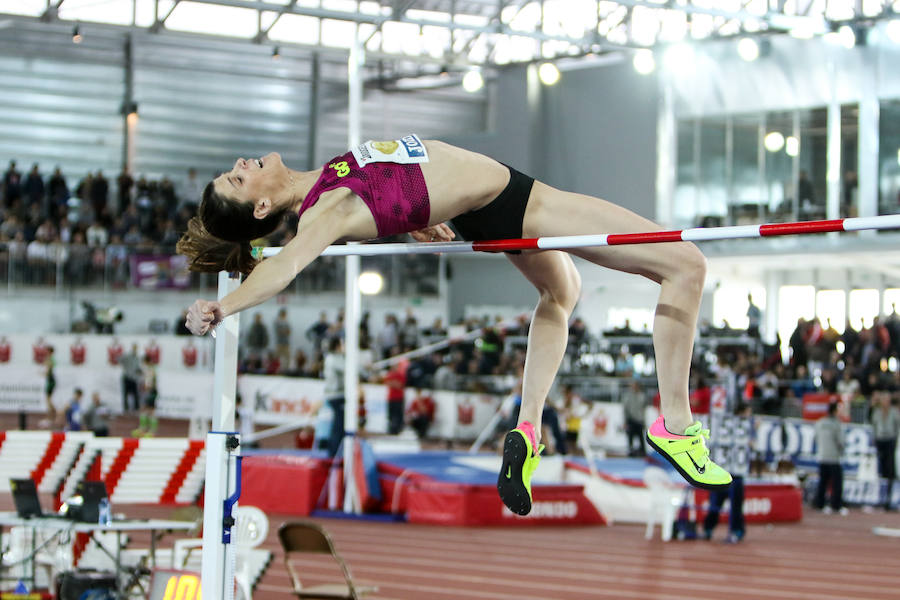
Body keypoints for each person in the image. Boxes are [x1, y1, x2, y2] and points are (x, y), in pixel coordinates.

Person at [179, 135, 730, 516]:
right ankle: (676, 427)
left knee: (561, 293)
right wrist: (223, 308)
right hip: (516, 200)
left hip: (481, 209)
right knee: (686, 264)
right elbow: (285, 267)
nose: (243, 163)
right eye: (239, 177)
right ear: (262, 207)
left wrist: (421, 213)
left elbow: (397, 182)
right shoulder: (322, 210)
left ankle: (529, 429)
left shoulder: (328, 179)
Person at [703, 402, 752, 543]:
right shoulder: (724, 426)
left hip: (733, 474)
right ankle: (709, 528)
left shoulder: (745, 429)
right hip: (723, 474)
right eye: (748, 412)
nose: (749, 416)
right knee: (715, 505)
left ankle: (736, 531)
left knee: (735, 507)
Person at [814, 402, 847, 515]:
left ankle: (820, 503)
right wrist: (841, 451)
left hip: (822, 456)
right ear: (834, 411)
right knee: (837, 483)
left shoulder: (820, 422)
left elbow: (816, 438)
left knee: (822, 481)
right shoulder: (836, 424)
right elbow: (840, 441)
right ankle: (836, 505)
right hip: (833, 457)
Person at [870, 390, 899, 510]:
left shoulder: (894, 412)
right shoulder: (876, 412)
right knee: (880, 469)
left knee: (890, 469)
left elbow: (897, 426)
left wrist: (895, 438)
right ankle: (880, 497)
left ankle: (888, 497)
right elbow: (873, 426)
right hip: (880, 441)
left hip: (890, 441)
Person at [621, 379, 648, 457]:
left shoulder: (642, 396)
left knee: (641, 437)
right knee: (630, 437)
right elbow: (625, 409)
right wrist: (625, 421)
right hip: (631, 419)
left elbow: (644, 409)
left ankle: (643, 452)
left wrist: (644, 421)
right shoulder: (628, 396)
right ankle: (631, 451)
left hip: (639, 420)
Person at [43, 345, 57, 427]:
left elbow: (48, 371)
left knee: (48, 400)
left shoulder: (50, 359)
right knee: (48, 400)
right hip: (50, 380)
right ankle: (53, 416)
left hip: (51, 380)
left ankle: (51, 417)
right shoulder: (50, 359)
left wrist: (43, 374)